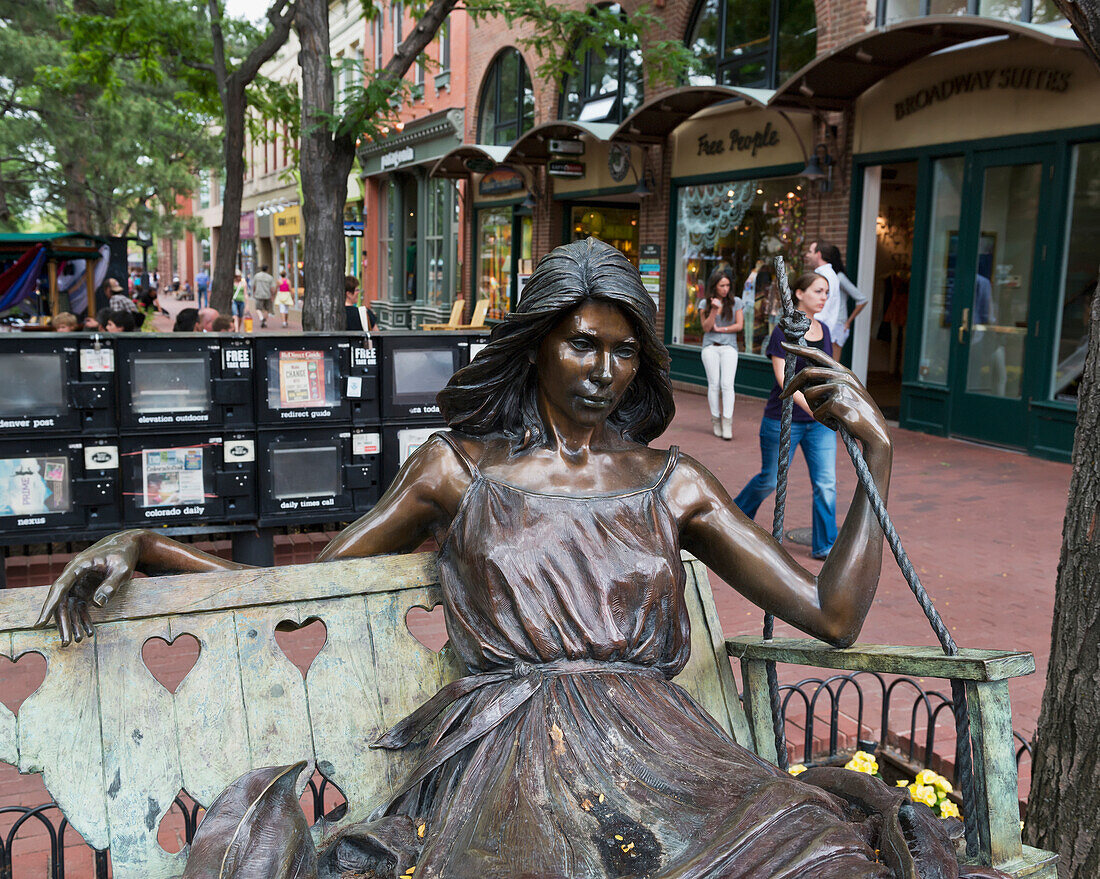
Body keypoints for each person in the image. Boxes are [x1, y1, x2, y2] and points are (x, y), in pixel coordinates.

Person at [36, 239, 996, 879]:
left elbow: (831, 613)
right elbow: (302, 593)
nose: (604, 370)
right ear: (538, 343)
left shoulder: (675, 482)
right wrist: (151, 544)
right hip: (512, 751)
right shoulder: (455, 471)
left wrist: (876, 454)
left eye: (624, 351)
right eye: (583, 344)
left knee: (818, 859)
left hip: (667, 754)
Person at [734, 272, 837, 561]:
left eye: (826, 292)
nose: (824, 297)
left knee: (826, 483)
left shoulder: (825, 331)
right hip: (783, 421)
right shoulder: (784, 331)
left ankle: (826, 544)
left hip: (820, 424)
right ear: (799, 293)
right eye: (818, 291)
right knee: (769, 480)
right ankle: (733, 518)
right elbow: (784, 380)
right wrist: (815, 411)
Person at [697, 267, 743, 440]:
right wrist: (714, 310)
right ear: (714, 286)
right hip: (710, 347)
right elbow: (706, 328)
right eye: (722, 285)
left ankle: (727, 422)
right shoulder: (705, 303)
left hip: (729, 348)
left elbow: (739, 325)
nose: (725, 289)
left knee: (727, 385)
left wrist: (722, 329)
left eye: (728, 285)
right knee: (714, 384)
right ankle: (715, 420)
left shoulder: (736, 302)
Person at [816, 244, 869, 359]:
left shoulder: (839, 277)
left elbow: (862, 299)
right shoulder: (828, 275)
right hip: (828, 322)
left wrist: (848, 322)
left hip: (838, 324)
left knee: (833, 365)